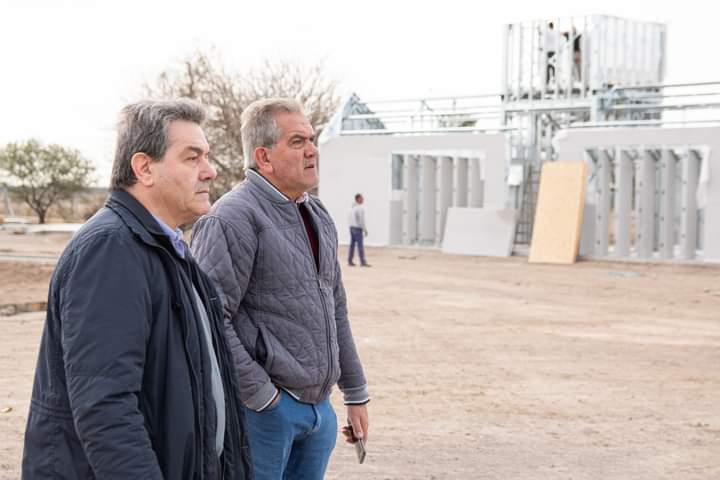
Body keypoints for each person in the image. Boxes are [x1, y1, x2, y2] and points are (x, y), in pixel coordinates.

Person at [22, 99, 252, 479]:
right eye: (192, 157)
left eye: (207, 157)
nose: (210, 171)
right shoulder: (110, 250)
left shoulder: (168, 250)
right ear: (144, 168)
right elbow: (105, 408)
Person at [191, 98, 370, 480]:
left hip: (318, 414)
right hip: (264, 416)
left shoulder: (317, 213)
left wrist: (355, 392)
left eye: (312, 139)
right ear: (264, 157)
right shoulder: (232, 217)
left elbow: (335, 307)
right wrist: (262, 397)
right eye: (297, 141)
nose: (312, 150)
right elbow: (208, 318)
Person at [348, 193, 369, 266]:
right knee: (360, 245)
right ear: (358, 199)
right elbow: (361, 220)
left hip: (351, 227)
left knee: (352, 245)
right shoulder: (360, 208)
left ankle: (350, 260)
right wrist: (365, 229)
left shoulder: (352, 207)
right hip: (357, 228)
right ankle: (362, 261)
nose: (363, 199)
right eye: (362, 198)